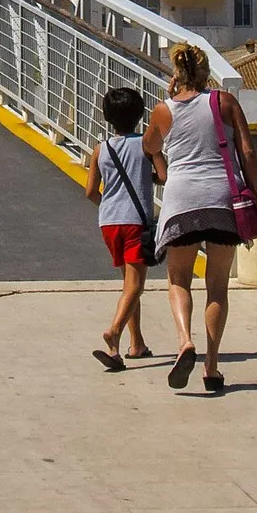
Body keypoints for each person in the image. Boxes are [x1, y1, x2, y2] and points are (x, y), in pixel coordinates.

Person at [144, 42, 257, 395]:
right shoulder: (224, 102)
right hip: (224, 199)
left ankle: (183, 342)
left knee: (178, 277)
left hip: (182, 201)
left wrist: (163, 166)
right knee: (218, 285)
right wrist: (251, 195)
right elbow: (248, 152)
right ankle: (212, 366)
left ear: (177, 74)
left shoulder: (163, 111)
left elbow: (150, 146)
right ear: (207, 71)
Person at [84, 86, 157, 372]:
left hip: (109, 222)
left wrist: (108, 206)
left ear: (107, 117)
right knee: (136, 285)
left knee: (128, 284)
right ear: (140, 115)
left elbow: (90, 191)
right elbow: (163, 174)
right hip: (135, 222)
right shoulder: (145, 145)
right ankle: (114, 332)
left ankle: (136, 343)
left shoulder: (101, 149)